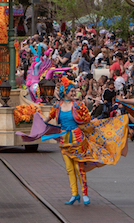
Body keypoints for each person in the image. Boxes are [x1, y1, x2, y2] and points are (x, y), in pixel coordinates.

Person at [42, 76, 128, 206]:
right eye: (71, 91)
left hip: (77, 140)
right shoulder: (57, 106)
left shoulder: (77, 105)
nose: (74, 93)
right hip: (64, 140)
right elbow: (47, 119)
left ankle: (85, 193)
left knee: (78, 167)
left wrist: (92, 121)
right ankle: (74, 194)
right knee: (69, 169)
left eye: (74, 91)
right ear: (65, 91)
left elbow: (87, 119)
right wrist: (37, 120)